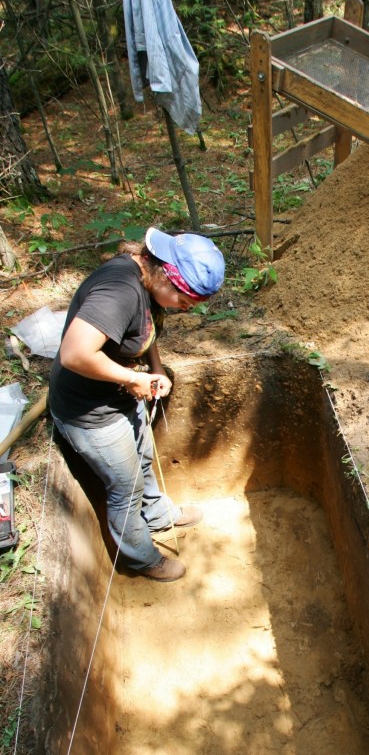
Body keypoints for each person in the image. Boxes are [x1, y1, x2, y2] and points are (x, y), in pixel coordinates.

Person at [49, 227, 225, 582]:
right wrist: (133, 379)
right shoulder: (119, 291)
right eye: (185, 301)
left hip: (118, 397)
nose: (185, 309)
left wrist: (154, 368)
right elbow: (74, 354)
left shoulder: (147, 283)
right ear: (165, 275)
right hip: (90, 413)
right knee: (125, 488)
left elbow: (145, 328)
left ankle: (159, 516)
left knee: (143, 461)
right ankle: (143, 559)